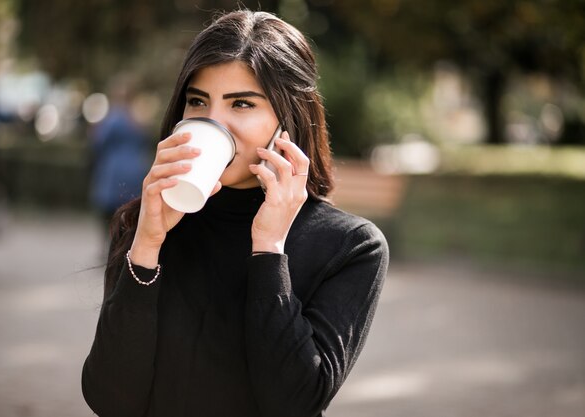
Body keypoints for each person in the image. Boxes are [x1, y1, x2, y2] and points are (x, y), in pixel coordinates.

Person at [82, 9, 388, 417]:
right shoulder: (146, 225)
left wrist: (269, 249)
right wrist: (147, 243)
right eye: (197, 101)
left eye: (241, 103)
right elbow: (111, 400)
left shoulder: (351, 246)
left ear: (289, 119)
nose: (213, 122)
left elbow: (294, 402)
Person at [88, 74, 150, 240]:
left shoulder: (113, 117)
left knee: (109, 213)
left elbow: (98, 141)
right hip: (135, 168)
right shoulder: (136, 118)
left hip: (114, 170)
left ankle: (109, 248)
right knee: (128, 210)